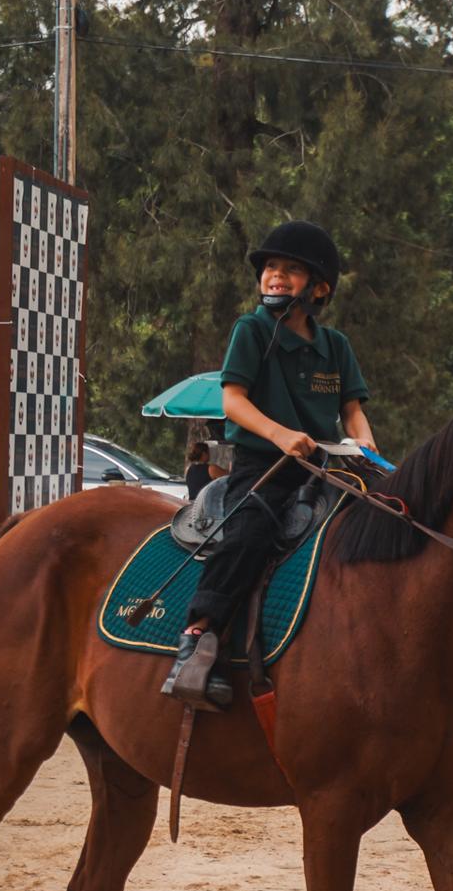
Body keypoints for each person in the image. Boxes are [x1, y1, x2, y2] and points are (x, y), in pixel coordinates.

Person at [161, 221, 375, 708]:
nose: (276, 276)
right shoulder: (251, 329)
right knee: (252, 527)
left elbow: (353, 412)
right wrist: (280, 435)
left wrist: (365, 447)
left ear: (319, 288)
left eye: (291, 269)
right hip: (263, 465)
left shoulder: (335, 346)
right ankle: (198, 635)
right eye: (270, 268)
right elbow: (233, 401)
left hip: (327, 464)